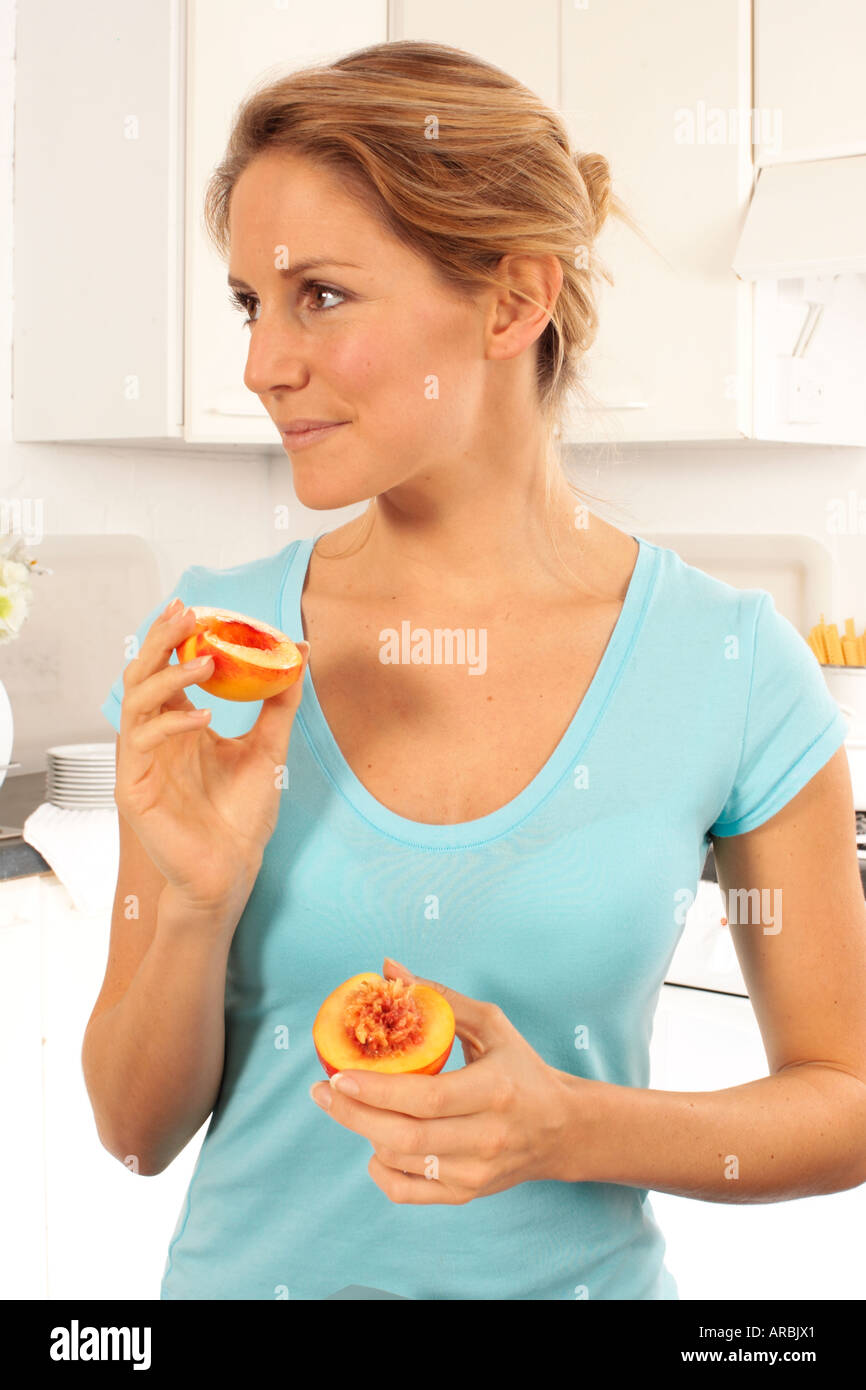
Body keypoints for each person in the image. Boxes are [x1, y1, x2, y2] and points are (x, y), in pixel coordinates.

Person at [83, 40, 866, 1301]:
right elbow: (134, 1135)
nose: (260, 364)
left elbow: (846, 1101)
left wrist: (569, 1126)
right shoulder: (216, 642)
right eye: (249, 304)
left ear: (509, 304)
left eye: (319, 296)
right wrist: (188, 900)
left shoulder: (727, 662)